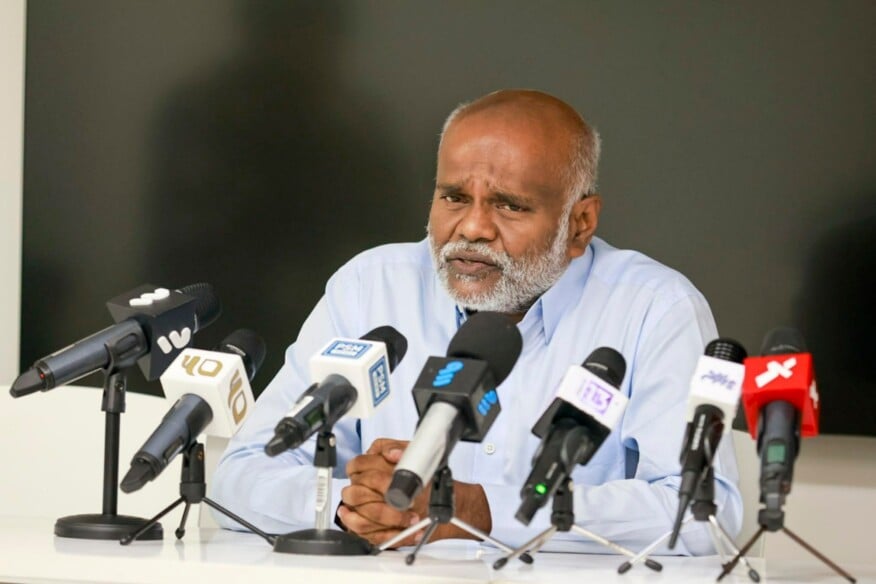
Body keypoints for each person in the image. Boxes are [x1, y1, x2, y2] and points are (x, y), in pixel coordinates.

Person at [210, 89, 742, 555]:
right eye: (454, 197)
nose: (472, 228)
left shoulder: (654, 309)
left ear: (580, 223)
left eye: (509, 206)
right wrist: (353, 506)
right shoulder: (370, 288)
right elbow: (242, 473)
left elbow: (704, 513)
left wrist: (473, 511)